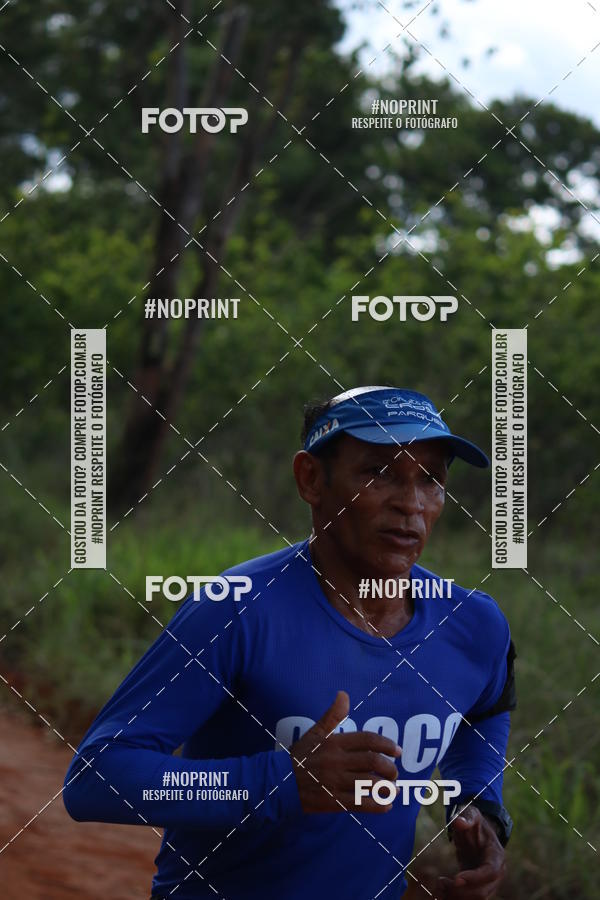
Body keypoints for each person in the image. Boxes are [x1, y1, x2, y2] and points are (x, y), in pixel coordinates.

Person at [63, 385, 516, 900]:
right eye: (378, 472)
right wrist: (281, 782)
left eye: (431, 479)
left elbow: (486, 708)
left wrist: (480, 805)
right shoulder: (236, 610)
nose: (411, 504)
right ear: (311, 479)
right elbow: (97, 777)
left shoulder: (472, 624)